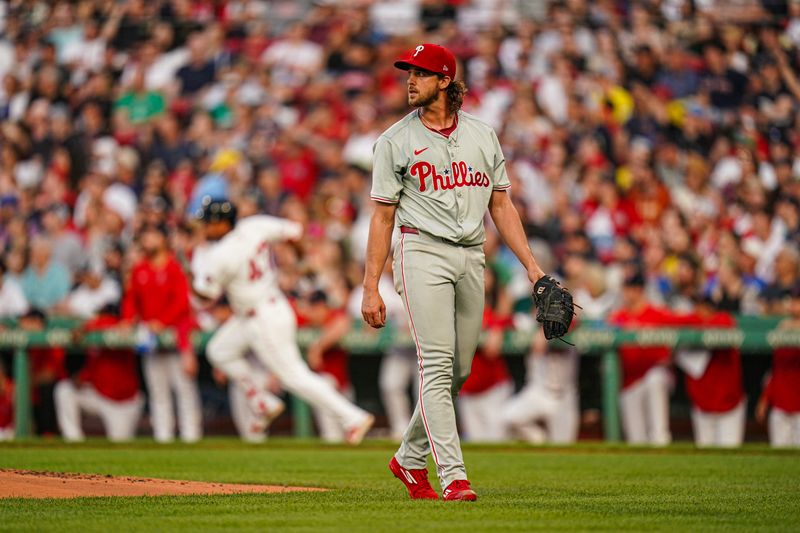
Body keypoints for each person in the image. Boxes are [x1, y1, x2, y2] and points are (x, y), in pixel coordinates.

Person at [361, 43, 549, 501]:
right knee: (437, 364)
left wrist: (531, 266)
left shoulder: (483, 135)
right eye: (409, 72)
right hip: (420, 251)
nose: (411, 80)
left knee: (459, 369)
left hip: (471, 256)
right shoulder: (393, 141)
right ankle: (454, 476)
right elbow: (382, 217)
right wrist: (371, 286)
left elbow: (500, 205)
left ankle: (408, 458)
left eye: (421, 74)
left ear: (445, 81)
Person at [191, 199, 374, 444]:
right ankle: (261, 400)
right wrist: (299, 260)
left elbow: (206, 298)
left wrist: (191, 281)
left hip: (262, 318)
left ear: (222, 223)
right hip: (263, 309)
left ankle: (353, 416)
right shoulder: (254, 225)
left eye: (209, 223)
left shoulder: (220, 254)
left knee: (295, 377)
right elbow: (295, 233)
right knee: (219, 350)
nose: (204, 227)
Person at [121, 223, 201, 443]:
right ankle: (163, 439)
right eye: (145, 236)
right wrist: (128, 319)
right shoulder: (140, 269)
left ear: (163, 239)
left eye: (152, 235)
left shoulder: (175, 267)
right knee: (158, 392)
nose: (147, 241)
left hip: (175, 336)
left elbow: (182, 303)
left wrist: (163, 322)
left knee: (183, 390)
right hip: (151, 339)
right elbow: (131, 300)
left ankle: (191, 438)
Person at [54, 306, 143, 442]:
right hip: (98, 394)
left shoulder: (119, 328)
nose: (98, 319)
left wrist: (87, 325)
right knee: (64, 390)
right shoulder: (93, 332)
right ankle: (74, 442)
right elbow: (96, 364)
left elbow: (108, 323)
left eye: (101, 316)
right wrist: (83, 377)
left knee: (119, 450)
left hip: (121, 402)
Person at [608, 271, 676, 446]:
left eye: (631, 288)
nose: (627, 293)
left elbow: (684, 328)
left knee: (655, 378)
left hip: (654, 375)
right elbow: (599, 329)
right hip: (630, 382)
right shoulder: (618, 317)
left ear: (640, 290)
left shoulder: (657, 314)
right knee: (636, 440)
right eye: (626, 288)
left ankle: (661, 437)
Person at [676, 295, 745, 448]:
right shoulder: (689, 326)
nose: (698, 311)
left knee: (730, 455)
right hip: (702, 406)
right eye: (696, 307)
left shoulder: (723, 320)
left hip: (728, 407)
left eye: (703, 307)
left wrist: (697, 322)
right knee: (706, 456)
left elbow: (724, 324)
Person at [501, 329, 580, 444]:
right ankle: (538, 439)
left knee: (564, 446)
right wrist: (543, 329)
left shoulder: (573, 335)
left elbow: (574, 321)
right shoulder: (536, 331)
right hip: (538, 392)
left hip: (564, 397)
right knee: (507, 418)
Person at [756, 284, 800, 447]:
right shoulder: (782, 326)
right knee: (779, 452)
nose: (794, 305)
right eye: (793, 300)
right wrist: (765, 399)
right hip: (781, 402)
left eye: (798, 301)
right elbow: (775, 368)